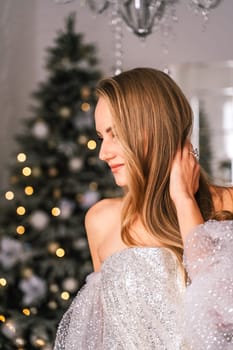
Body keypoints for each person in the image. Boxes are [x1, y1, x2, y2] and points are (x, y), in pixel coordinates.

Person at [53, 68, 233, 350]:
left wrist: (183, 199)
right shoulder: (101, 220)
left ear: (155, 129)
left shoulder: (228, 203)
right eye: (101, 137)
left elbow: (220, 317)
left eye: (116, 135)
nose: (103, 153)